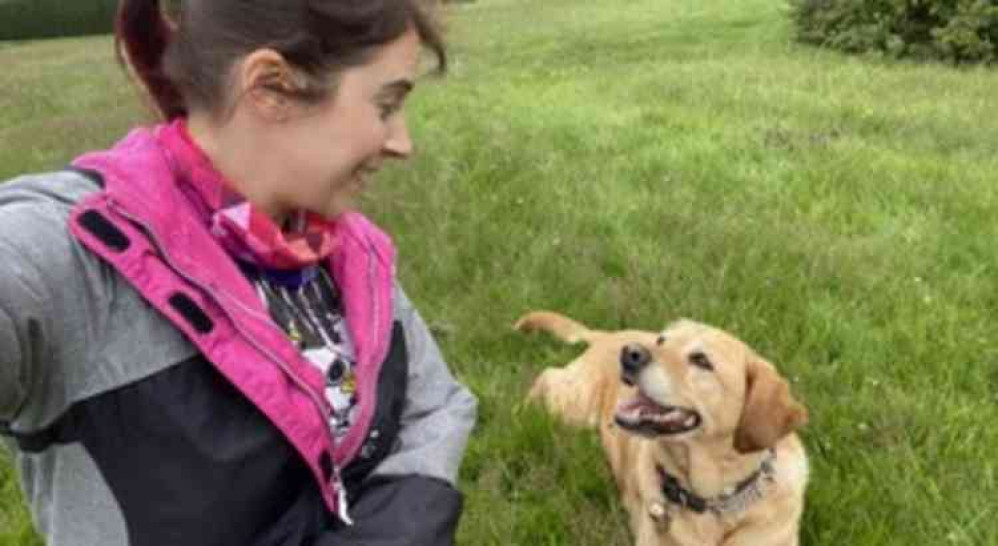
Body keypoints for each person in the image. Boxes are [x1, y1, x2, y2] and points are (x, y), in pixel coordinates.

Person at [0, 1, 477, 545]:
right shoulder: (78, 256)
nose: (402, 143)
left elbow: (436, 405)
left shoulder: (346, 250)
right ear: (271, 86)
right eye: (386, 104)